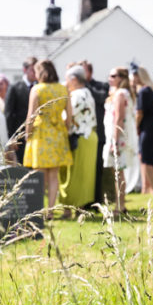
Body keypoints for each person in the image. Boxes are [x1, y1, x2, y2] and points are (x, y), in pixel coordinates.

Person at [24, 59, 72, 215]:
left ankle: (39, 209)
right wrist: (65, 129)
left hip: (41, 134)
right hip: (58, 133)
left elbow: (31, 115)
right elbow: (70, 116)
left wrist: (27, 133)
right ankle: (50, 210)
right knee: (53, 175)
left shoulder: (37, 89)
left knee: (39, 174)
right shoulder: (63, 88)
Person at [59, 65, 97, 209]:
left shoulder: (76, 95)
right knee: (83, 175)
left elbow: (67, 116)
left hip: (79, 138)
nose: (65, 82)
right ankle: (79, 208)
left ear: (74, 79)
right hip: (89, 137)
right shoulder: (87, 92)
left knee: (73, 175)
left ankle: (70, 208)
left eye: (67, 79)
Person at [103, 66, 137, 216]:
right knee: (118, 172)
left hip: (118, 137)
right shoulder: (120, 93)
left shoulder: (120, 94)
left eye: (113, 76)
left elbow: (119, 118)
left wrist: (115, 141)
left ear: (122, 78)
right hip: (115, 136)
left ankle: (120, 205)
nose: (110, 78)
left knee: (118, 172)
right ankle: (120, 204)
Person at [80, 60, 109, 206]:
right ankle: (84, 201)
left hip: (98, 134)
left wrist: (85, 87)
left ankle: (97, 200)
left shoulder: (101, 86)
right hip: (82, 135)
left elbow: (102, 97)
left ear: (89, 72)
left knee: (97, 169)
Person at [132, 65, 153, 195]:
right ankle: (146, 188)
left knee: (147, 158)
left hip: (147, 128)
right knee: (146, 157)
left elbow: (139, 112)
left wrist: (135, 126)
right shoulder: (150, 90)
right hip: (152, 127)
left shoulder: (144, 91)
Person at [4, 56, 36, 164]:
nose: (35, 73)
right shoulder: (15, 87)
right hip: (20, 137)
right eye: (32, 70)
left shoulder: (39, 87)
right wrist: (12, 138)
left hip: (37, 135)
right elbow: (8, 114)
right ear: (25, 70)